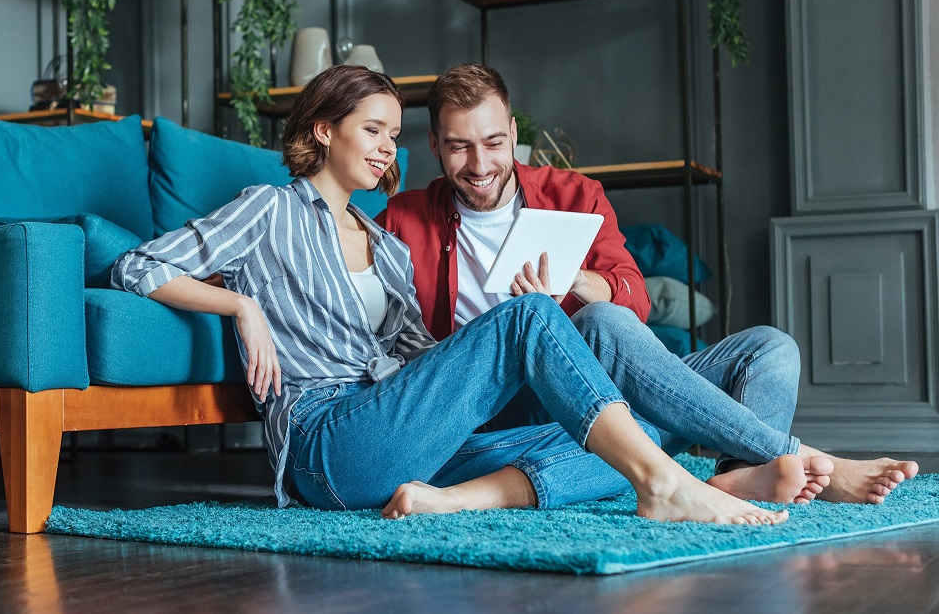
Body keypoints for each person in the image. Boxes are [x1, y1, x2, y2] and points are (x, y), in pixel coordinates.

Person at [112, 64, 788, 525]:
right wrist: (240, 305)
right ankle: (672, 482)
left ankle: (464, 499)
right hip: (328, 441)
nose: (387, 150)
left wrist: (501, 360)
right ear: (323, 129)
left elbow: (417, 356)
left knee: (621, 426)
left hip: (399, 428)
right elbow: (136, 267)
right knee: (529, 319)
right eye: (372, 131)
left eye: (392, 135)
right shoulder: (268, 210)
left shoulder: (382, 243)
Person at [376, 63, 918, 506]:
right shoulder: (402, 219)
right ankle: (794, 453)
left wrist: (581, 282)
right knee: (616, 358)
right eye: (459, 147)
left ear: (515, 133)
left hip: (595, 391)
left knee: (769, 349)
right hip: (497, 410)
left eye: (493, 143)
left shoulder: (575, 193)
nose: (479, 165)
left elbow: (633, 295)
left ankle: (737, 475)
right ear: (434, 145)